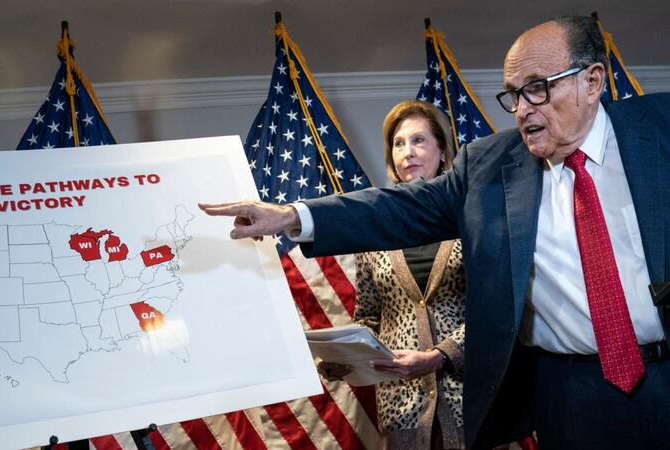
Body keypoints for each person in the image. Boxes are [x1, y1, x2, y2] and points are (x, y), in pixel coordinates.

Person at [201, 16, 670, 450]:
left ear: (592, 81)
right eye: (513, 94)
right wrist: (291, 215)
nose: (522, 109)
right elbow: (397, 208)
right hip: (567, 394)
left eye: (537, 89)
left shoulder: (662, 130)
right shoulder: (489, 167)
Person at [319, 99, 466, 450]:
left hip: (470, 400)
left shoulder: (471, 218)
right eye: (399, 144)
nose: (408, 152)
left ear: (443, 151)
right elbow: (369, 317)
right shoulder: (376, 230)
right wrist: (345, 358)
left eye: (419, 140)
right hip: (402, 407)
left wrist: (441, 355)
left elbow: (495, 312)